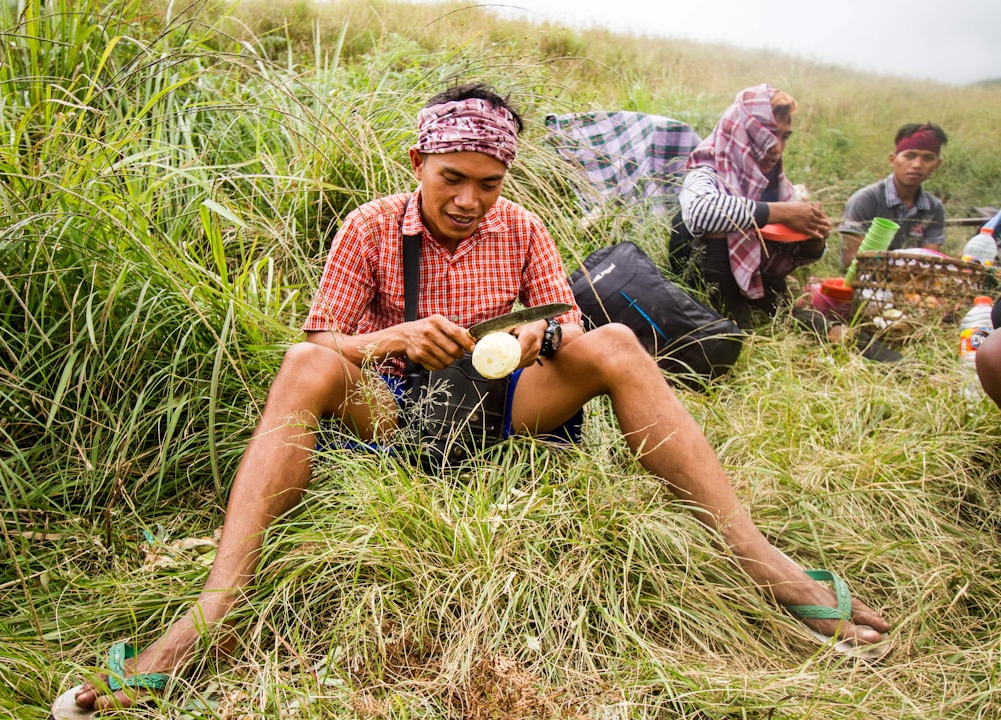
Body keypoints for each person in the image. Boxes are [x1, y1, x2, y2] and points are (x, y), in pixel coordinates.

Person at [52, 83, 891, 717]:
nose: (469, 199)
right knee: (302, 369)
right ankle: (213, 615)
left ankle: (761, 562)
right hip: (390, 419)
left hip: (499, 416)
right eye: (453, 178)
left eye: (488, 183)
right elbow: (319, 343)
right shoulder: (371, 227)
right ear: (416, 164)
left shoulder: (521, 229)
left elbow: (564, 314)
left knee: (618, 342)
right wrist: (391, 339)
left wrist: (540, 335)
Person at [668, 84, 829, 329]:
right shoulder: (708, 170)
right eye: (768, 133)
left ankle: (774, 311)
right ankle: (730, 322)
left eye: (784, 137)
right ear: (744, 131)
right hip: (700, 277)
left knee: (811, 323)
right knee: (725, 220)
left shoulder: (776, 184)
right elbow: (703, 213)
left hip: (760, 278)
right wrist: (783, 213)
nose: (776, 148)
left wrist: (813, 236)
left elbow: (790, 250)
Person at [838, 123, 948, 270]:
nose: (917, 164)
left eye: (928, 158)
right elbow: (850, 260)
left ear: (937, 164)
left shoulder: (934, 208)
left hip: (913, 287)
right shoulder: (866, 200)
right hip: (865, 284)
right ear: (893, 160)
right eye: (910, 156)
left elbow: (930, 262)